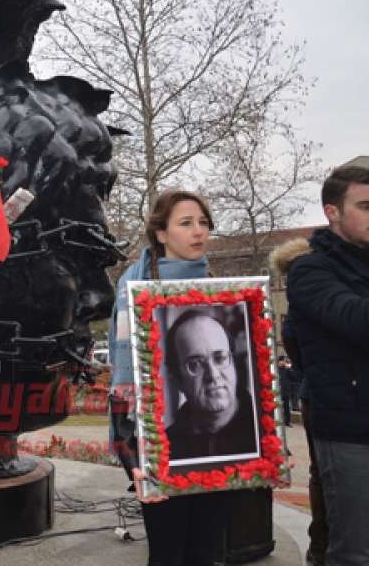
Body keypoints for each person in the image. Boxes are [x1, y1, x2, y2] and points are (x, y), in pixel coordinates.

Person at [108, 190, 232, 565]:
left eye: (204, 223)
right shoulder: (134, 288)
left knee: (207, 552)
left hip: (217, 447)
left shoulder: (220, 289)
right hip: (159, 446)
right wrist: (133, 456)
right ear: (161, 234)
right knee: (167, 553)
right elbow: (123, 375)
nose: (199, 232)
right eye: (186, 223)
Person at [287, 157, 369, 566]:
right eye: (366, 206)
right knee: (354, 551)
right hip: (348, 429)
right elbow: (356, 320)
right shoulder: (309, 270)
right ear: (332, 212)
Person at [271, 239, 327, 566]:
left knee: (321, 476)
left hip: (315, 390)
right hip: (322, 393)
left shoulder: (298, 299)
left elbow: (293, 345)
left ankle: (319, 548)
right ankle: (320, 548)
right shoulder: (315, 293)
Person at [163, 311, 258, 461]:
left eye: (220, 358)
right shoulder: (164, 448)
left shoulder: (264, 433)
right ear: (177, 380)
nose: (213, 375)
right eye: (195, 364)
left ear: (234, 364)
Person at [276, 355, 293, 426]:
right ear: (279, 361)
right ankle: (277, 421)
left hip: (286, 390)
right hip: (278, 391)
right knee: (277, 406)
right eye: (283, 360)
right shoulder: (276, 369)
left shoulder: (286, 369)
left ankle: (287, 422)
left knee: (287, 407)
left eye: (284, 360)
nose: (284, 362)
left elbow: (293, 377)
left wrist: (289, 369)